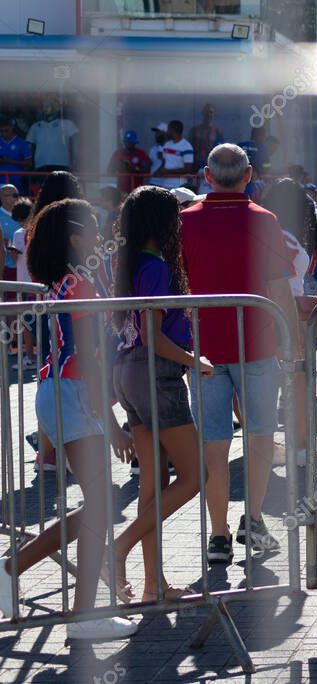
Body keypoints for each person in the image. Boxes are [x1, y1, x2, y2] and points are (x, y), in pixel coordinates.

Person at [0, 198, 138, 640]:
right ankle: (74, 611)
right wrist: (114, 422)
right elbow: (85, 355)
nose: (101, 235)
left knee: (97, 506)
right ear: (77, 238)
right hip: (73, 393)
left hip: (63, 392)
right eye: (94, 229)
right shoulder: (78, 284)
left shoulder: (67, 281)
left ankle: (20, 577)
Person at [180, 143, 300, 563]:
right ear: (249, 174)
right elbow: (280, 290)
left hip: (203, 350)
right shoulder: (264, 221)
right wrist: (296, 344)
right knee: (260, 435)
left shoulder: (184, 222)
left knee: (214, 444)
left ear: (206, 176)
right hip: (257, 343)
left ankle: (218, 535)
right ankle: (252, 518)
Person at [107, 186, 211, 603]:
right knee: (193, 476)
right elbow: (152, 336)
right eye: (176, 217)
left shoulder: (131, 263)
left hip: (129, 374)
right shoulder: (155, 267)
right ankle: (118, 549)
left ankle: (154, 586)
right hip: (155, 376)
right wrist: (193, 361)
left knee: (153, 487)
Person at [260, 178, 317, 469]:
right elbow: (282, 287)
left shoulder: (273, 232)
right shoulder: (283, 236)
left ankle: (280, 448)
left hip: (275, 317)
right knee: (298, 387)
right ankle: (300, 450)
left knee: (276, 389)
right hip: (285, 320)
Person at [9, 197, 35, 370]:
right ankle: (36, 355)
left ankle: (30, 357)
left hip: (23, 283)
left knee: (25, 323)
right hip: (38, 283)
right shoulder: (40, 230)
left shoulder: (18, 234)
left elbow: (14, 258)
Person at [26, 98, 77, 172]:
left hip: (62, 164)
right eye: (44, 105)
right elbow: (29, 148)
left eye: (50, 105)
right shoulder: (35, 126)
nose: (46, 107)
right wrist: (30, 165)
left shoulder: (67, 124)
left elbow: (76, 146)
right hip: (41, 165)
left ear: (58, 108)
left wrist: (75, 161)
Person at [150, 121, 194, 190]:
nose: (166, 132)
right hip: (165, 185)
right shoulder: (167, 145)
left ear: (172, 130)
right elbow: (164, 163)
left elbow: (188, 169)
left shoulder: (187, 146)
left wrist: (168, 171)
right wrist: (158, 171)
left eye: (168, 129)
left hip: (180, 186)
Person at [187, 103, 224, 170]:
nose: (209, 114)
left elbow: (220, 151)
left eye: (211, 112)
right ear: (203, 113)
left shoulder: (217, 132)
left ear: (214, 114)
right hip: (196, 165)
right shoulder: (195, 130)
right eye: (207, 112)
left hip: (211, 165)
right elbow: (189, 147)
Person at [0, 120, 33, 193]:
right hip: (0, 180)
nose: (4, 133)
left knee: (15, 202)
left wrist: (10, 161)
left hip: (16, 181)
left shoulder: (22, 143)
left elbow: (29, 163)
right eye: (1, 131)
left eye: (6, 130)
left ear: (11, 128)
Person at [0, 184, 16, 279]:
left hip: (22, 265)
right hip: (4, 266)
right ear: (1, 198)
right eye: (10, 195)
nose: (15, 198)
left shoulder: (26, 214)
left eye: (16, 195)